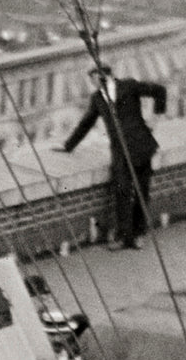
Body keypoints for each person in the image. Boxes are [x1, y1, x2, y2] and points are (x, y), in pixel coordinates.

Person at [56, 65, 167, 251]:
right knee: (122, 191)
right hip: (120, 151)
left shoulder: (129, 86)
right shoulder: (98, 98)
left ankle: (139, 233)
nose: (93, 84)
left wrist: (155, 118)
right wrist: (68, 146)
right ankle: (125, 237)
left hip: (140, 146)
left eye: (94, 79)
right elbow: (87, 122)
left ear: (104, 76)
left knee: (141, 191)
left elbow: (159, 91)